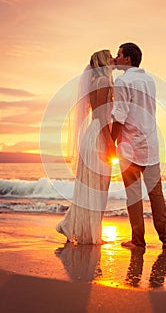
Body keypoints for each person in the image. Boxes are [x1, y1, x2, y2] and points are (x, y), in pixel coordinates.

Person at [111, 42, 166, 250]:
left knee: (134, 195)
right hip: (151, 144)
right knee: (156, 193)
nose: (116, 58)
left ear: (127, 59)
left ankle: (138, 239)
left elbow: (120, 115)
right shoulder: (149, 80)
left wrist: (111, 142)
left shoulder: (122, 81)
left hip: (130, 146)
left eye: (119, 55)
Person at [56, 50, 115, 244]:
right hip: (99, 134)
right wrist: (109, 143)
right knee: (99, 186)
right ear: (103, 62)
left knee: (89, 185)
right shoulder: (104, 83)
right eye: (110, 56)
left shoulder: (93, 82)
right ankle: (86, 231)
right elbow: (100, 115)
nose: (113, 58)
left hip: (93, 133)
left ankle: (77, 227)